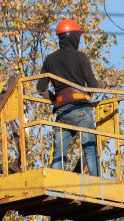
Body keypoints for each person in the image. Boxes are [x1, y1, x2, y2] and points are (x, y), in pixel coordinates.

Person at [36, 19, 117, 177]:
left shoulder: (50, 60)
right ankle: (96, 184)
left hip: (62, 113)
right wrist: (107, 82)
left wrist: (55, 100)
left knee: (59, 152)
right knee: (90, 148)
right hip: (80, 110)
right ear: (72, 37)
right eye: (78, 36)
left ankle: (56, 184)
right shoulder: (80, 57)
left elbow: (40, 89)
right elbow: (93, 85)